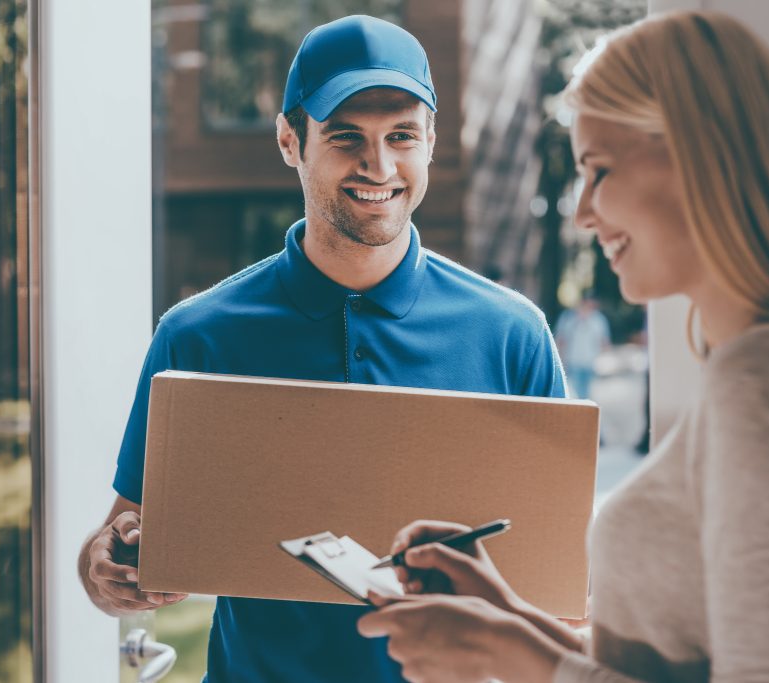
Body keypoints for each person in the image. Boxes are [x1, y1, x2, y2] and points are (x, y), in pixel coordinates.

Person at [77, 14, 566, 683]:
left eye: (402, 136)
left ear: (431, 141)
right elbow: (120, 535)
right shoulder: (198, 335)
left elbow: (568, 590)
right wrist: (105, 568)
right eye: (347, 138)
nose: (380, 167)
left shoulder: (513, 335)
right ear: (289, 140)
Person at [357, 10, 769, 682]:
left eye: (598, 170)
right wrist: (504, 610)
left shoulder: (762, 379)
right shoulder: (748, 372)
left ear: (698, 151)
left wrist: (508, 654)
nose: (581, 212)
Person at [554, 293, 611, 399]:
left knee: (586, 394)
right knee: (575, 393)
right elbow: (560, 340)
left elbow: (604, 342)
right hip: (572, 362)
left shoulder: (599, 320)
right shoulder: (568, 318)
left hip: (590, 362)